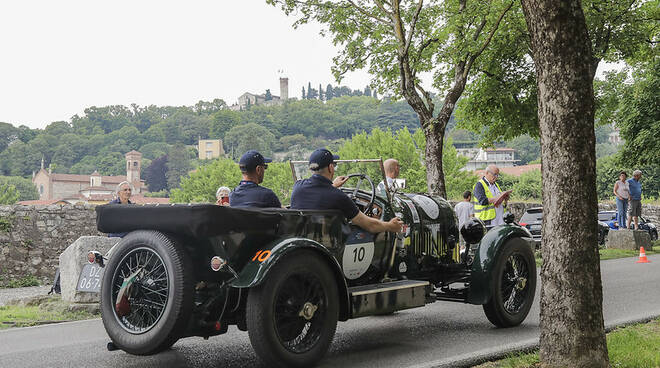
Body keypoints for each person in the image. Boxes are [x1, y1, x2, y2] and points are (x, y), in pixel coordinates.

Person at [290, 148, 402, 234]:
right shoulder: (338, 197)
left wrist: (333, 185)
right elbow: (369, 225)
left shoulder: (298, 187)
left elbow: (319, 194)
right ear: (330, 167)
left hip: (303, 239)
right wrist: (390, 225)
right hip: (332, 245)